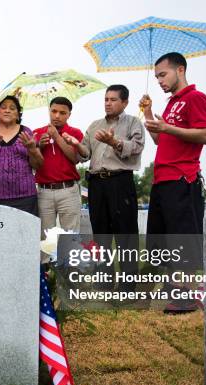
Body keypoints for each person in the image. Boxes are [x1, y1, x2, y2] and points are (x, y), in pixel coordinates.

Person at [140, 52, 206, 313]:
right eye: (157, 76)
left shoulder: (195, 98)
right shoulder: (171, 104)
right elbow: (162, 140)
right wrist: (148, 113)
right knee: (163, 242)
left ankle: (186, 297)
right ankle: (175, 292)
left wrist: (169, 128)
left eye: (163, 74)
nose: (159, 80)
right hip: (162, 178)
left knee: (181, 242)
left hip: (183, 178)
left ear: (179, 70)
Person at [68, 84, 145, 293]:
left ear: (125, 102)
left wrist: (114, 141)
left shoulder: (133, 123)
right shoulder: (94, 125)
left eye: (113, 99)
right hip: (96, 184)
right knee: (100, 234)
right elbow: (84, 154)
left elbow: (136, 148)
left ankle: (127, 286)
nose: (108, 103)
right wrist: (76, 144)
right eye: (106, 99)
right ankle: (104, 281)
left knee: (125, 235)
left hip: (120, 182)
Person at [0, 95, 43, 216]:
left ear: (18, 115)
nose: (7, 110)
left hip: (25, 197)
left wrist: (32, 149)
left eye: (12, 108)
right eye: (3, 107)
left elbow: (38, 165)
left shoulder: (26, 132)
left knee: (25, 234)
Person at [32, 97, 84, 235]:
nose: (57, 116)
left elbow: (75, 158)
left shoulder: (75, 132)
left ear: (69, 115)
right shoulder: (37, 133)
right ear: (49, 111)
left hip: (68, 190)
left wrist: (57, 137)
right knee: (45, 238)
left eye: (62, 113)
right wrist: (39, 147)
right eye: (54, 111)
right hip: (44, 191)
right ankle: (47, 258)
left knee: (71, 236)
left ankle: (68, 258)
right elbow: (32, 164)